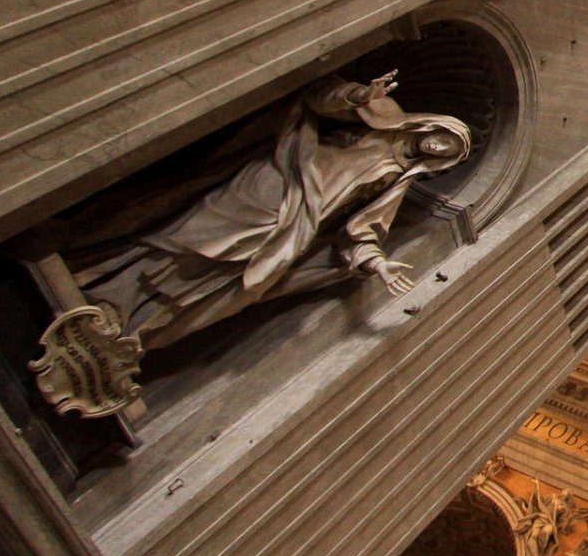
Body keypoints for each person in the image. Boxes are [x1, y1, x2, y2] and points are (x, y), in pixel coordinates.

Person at [72, 71, 471, 350]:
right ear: (432, 127)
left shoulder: (396, 181)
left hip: (297, 224)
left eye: (447, 154)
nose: (438, 148)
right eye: (443, 139)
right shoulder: (386, 118)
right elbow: (321, 98)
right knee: (190, 230)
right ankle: (101, 279)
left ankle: (131, 320)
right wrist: (359, 95)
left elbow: (364, 229)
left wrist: (378, 265)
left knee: (228, 275)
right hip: (278, 181)